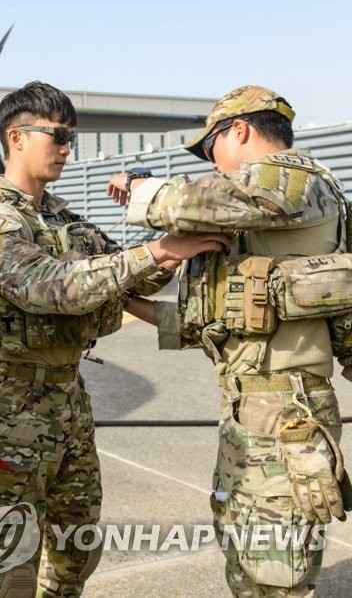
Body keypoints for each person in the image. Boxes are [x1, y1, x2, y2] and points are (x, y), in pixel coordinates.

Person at [0, 80, 229, 597]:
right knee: (7, 561)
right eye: (57, 136)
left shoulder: (63, 220)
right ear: (16, 138)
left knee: (75, 548)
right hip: (12, 405)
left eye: (70, 138)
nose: (66, 148)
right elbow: (51, 288)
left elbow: (127, 277)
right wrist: (157, 252)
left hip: (69, 401)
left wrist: (180, 241)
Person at [107, 85, 351, 597]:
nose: (211, 164)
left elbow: (193, 203)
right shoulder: (266, 218)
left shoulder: (292, 178)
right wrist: (122, 295)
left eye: (210, 147)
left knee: (278, 573)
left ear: (239, 129)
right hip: (252, 406)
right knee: (246, 556)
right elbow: (210, 318)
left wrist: (139, 186)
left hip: (286, 413)